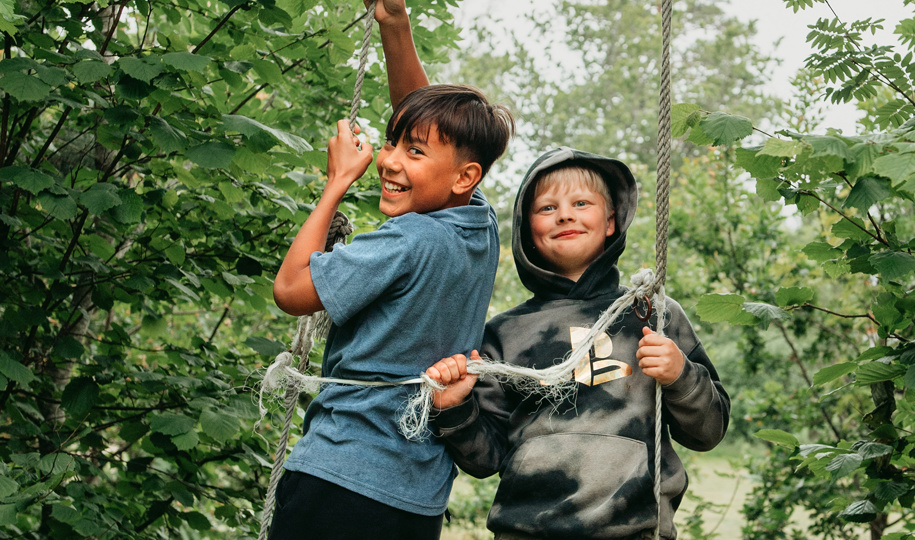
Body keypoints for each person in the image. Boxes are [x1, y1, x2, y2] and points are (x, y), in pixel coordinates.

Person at [269, 25, 515, 540]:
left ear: (465, 177)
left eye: (413, 152)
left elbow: (291, 291)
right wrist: (394, 21)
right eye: (391, 143)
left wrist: (337, 182)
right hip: (417, 500)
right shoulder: (479, 227)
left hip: (339, 479)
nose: (388, 161)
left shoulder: (407, 239)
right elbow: (427, 121)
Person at [425, 149, 731, 540]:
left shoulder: (653, 315)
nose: (565, 215)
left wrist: (680, 376)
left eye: (581, 203)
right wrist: (453, 409)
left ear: (611, 221)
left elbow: (708, 432)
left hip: (635, 528)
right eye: (547, 208)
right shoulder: (504, 333)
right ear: (527, 230)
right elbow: (486, 459)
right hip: (527, 531)